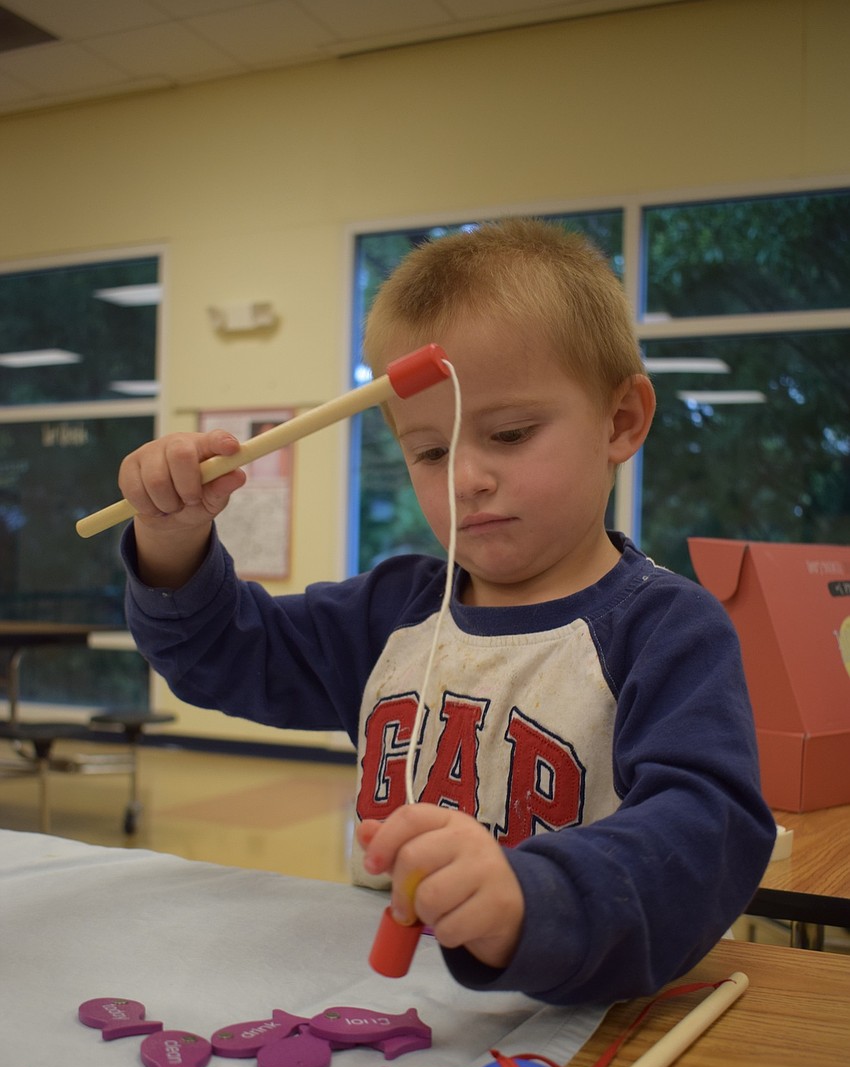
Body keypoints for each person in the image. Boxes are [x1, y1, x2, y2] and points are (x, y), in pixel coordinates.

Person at [118, 218, 775, 1005]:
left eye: (509, 433)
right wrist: (171, 541)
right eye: (429, 451)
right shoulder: (393, 610)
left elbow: (708, 834)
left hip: (576, 1025)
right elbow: (221, 654)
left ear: (621, 421)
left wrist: (531, 896)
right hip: (388, 1010)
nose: (465, 477)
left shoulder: (666, 629)